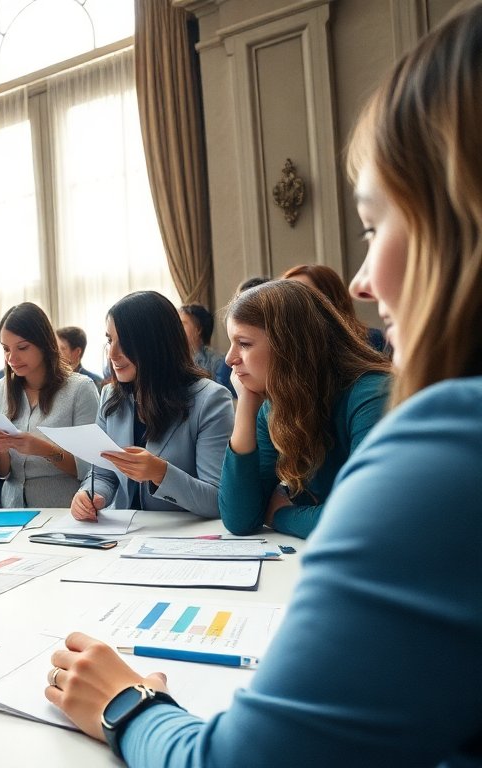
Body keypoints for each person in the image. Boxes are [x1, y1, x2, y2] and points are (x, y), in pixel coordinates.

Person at [46, 10, 482, 764]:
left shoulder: (443, 435)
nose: (365, 281)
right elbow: (251, 515)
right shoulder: (253, 400)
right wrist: (253, 403)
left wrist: (127, 702)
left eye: (377, 226)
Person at [219, 280, 391, 539]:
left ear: (288, 345)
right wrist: (245, 404)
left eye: (243, 343)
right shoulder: (276, 407)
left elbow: (363, 518)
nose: (229, 359)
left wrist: (282, 516)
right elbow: (239, 519)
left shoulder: (373, 395)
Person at [71, 291, 235, 520]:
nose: (113, 354)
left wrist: (160, 472)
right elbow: (103, 474)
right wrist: (90, 495)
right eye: (110, 340)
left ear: (156, 343)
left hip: (183, 541)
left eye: (125, 342)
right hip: (124, 538)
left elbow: (216, 500)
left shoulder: (211, 400)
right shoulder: (110, 396)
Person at [0, 304, 100, 508]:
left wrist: (45, 450)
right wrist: (0, 449)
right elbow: (2, 473)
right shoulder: (0, 390)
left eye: (22, 348)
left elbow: (91, 470)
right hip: (12, 511)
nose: (12, 358)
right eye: (6, 349)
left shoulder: (80, 389)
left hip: (63, 509)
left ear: (44, 343)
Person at [282, 263, 389, 352]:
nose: (292, 303)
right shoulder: (282, 347)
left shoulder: (375, 340)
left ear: (331, 300)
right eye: (286, 296)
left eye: (302, 296)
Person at [178, 303, 235, 396]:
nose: (177, 328)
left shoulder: (220, 362)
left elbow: (227, 399)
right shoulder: (176, 360)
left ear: (198, 329)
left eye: (182, 324)